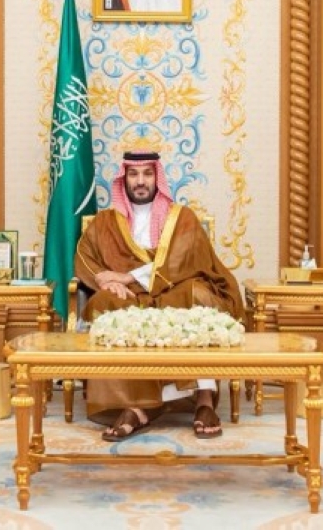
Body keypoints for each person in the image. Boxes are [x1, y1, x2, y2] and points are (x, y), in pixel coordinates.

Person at [75, 150, 243, 441]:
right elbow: (85, 256)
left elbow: (185, 259)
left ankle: (203, 400)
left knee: (197, 296)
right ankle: (134, 405)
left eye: (147, 174)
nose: (140, 181)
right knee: (104, 303)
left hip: (174, 289)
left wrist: (128, 276)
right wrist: (103, 279)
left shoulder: (182, 217)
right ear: (124, 178)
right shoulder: (105, 222)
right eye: (133, 174)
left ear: (158, 178)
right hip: (130, 297)